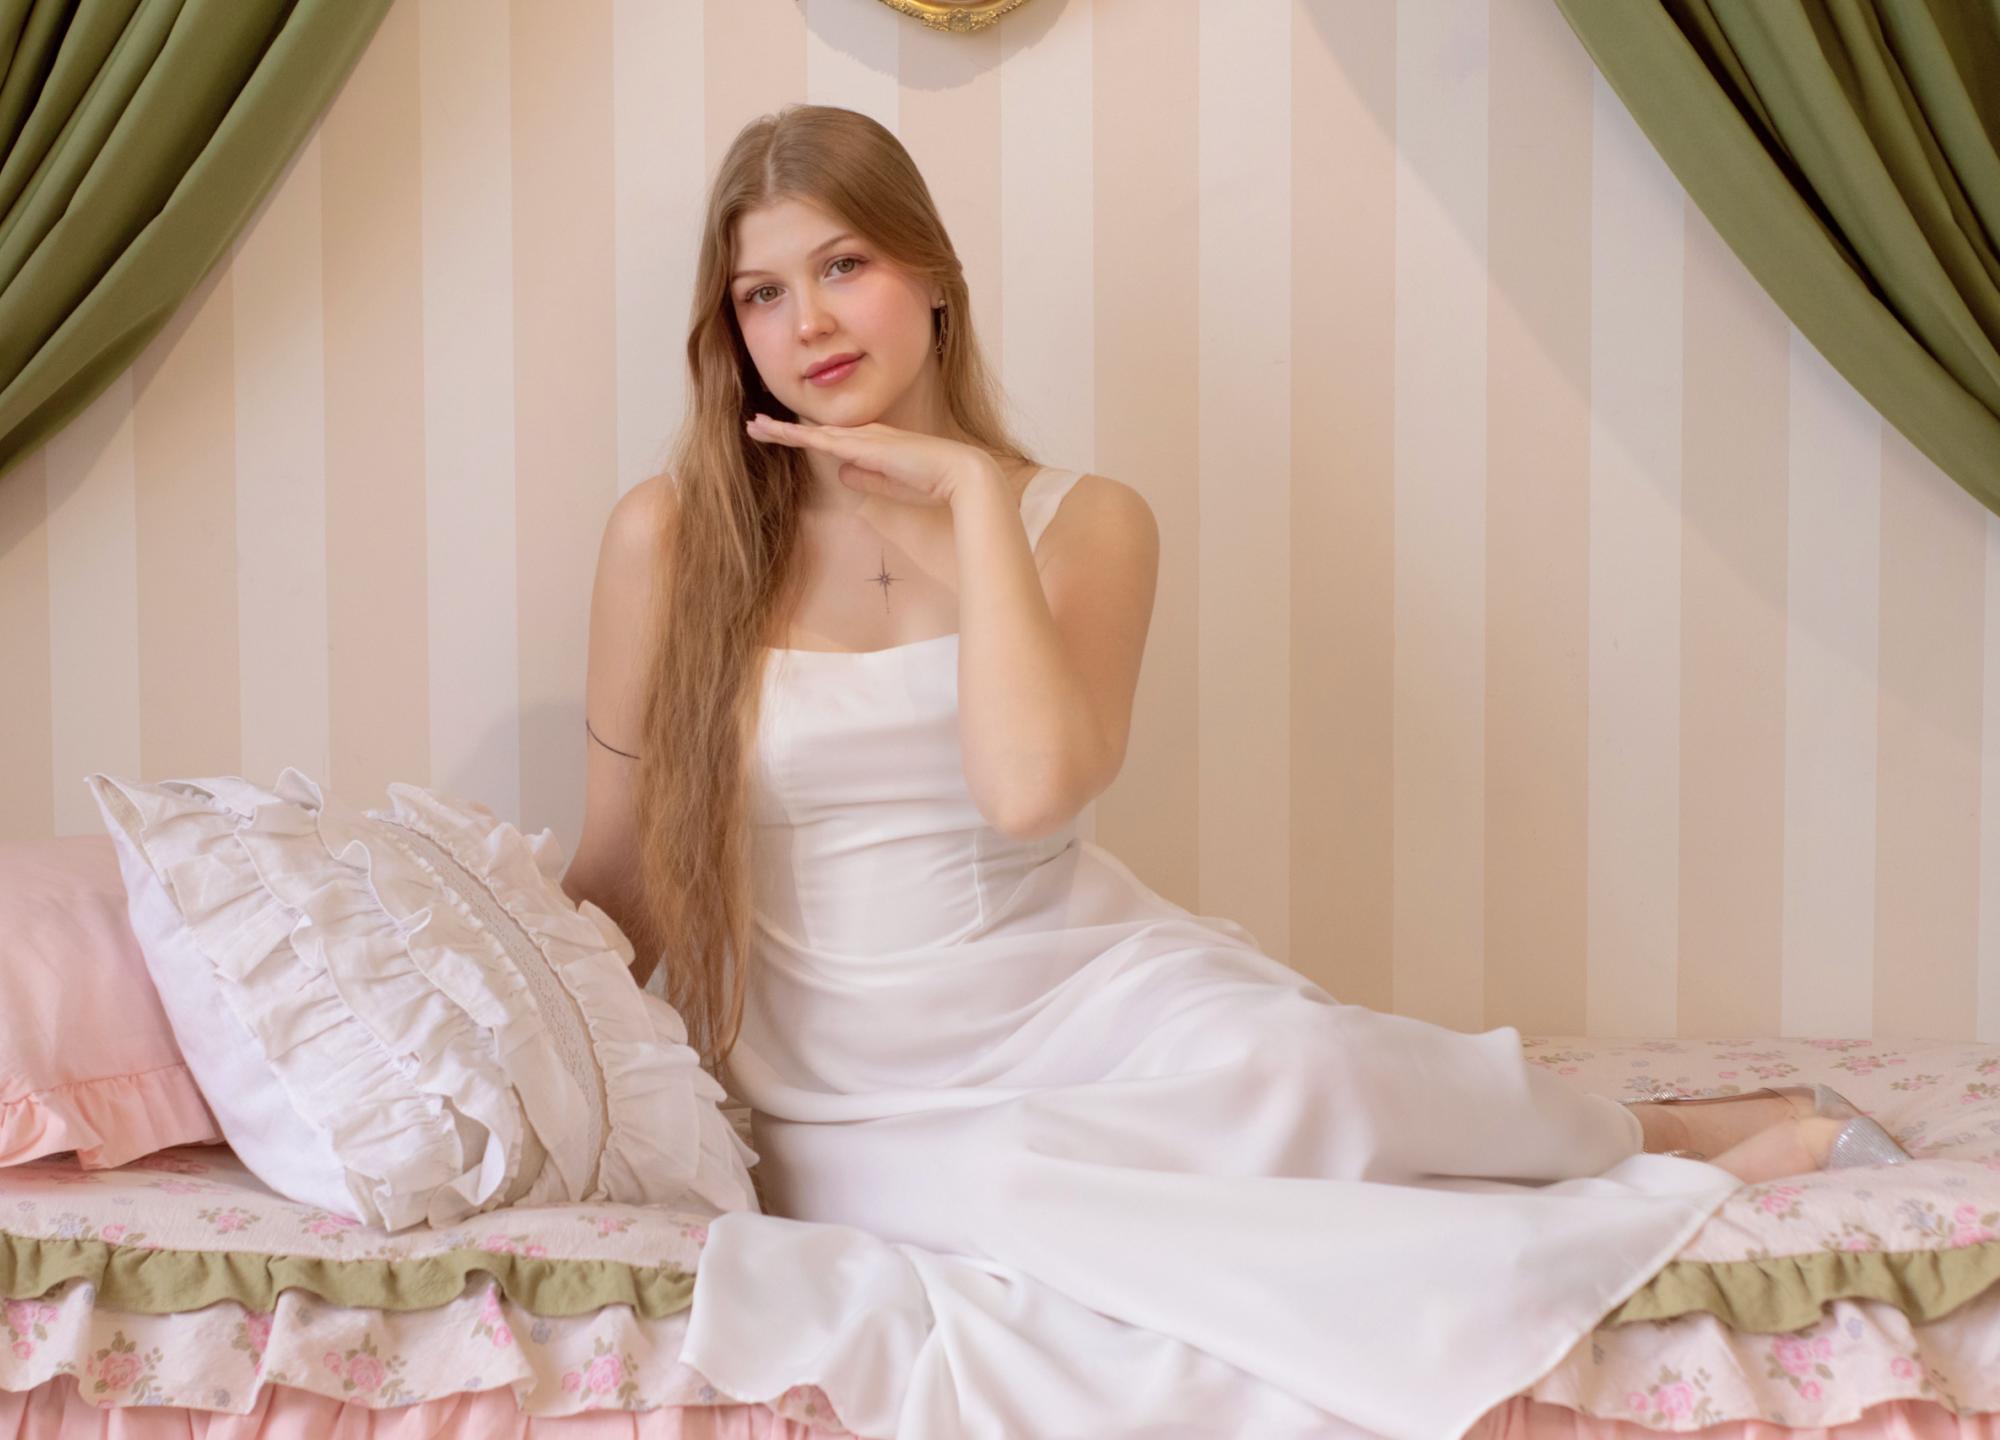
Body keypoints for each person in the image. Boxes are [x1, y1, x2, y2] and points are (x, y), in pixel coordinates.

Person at [558, 103, 1809, 1440]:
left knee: (1314, 1065)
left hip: (1085, 991)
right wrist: (524, 1061)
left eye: (844, 265)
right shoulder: (669, 538)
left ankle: (1649, 1134)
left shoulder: (1084, 522)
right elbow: (623, 866)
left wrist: (973, 499)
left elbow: (1030, 793)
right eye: (761, 291)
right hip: (848, 1082)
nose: (807, 321)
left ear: (933, 274)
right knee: (1023, 1186)